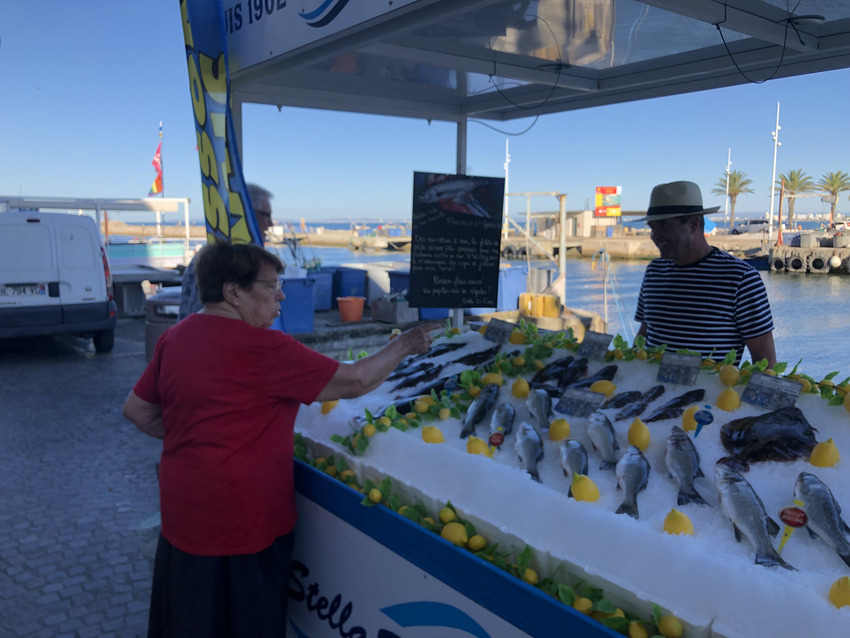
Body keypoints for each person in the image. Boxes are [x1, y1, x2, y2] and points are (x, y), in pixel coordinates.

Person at [123, 241, 440, 637]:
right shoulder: (265, 348)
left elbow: (136, 409)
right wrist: (406, 344)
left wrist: (200, 434)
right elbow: (356, 380)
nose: (281, 295)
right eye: (271, 286)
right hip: (243, 526)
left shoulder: (176, 336)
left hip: (182, 514)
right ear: (233, 292)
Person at [633, 180, 776, 367]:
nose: (654, 235)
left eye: (664, 227)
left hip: (710, 397)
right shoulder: (654, 271)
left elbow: (765, 362)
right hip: (650, 393)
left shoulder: (741, 278)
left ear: (693, 224)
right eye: (652, 228)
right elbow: (645, 332)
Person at [178, 183, 275, 320]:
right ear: (248, 214)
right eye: (267, 215)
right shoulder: (232, 260)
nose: (271, 223)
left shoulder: (211, 254)